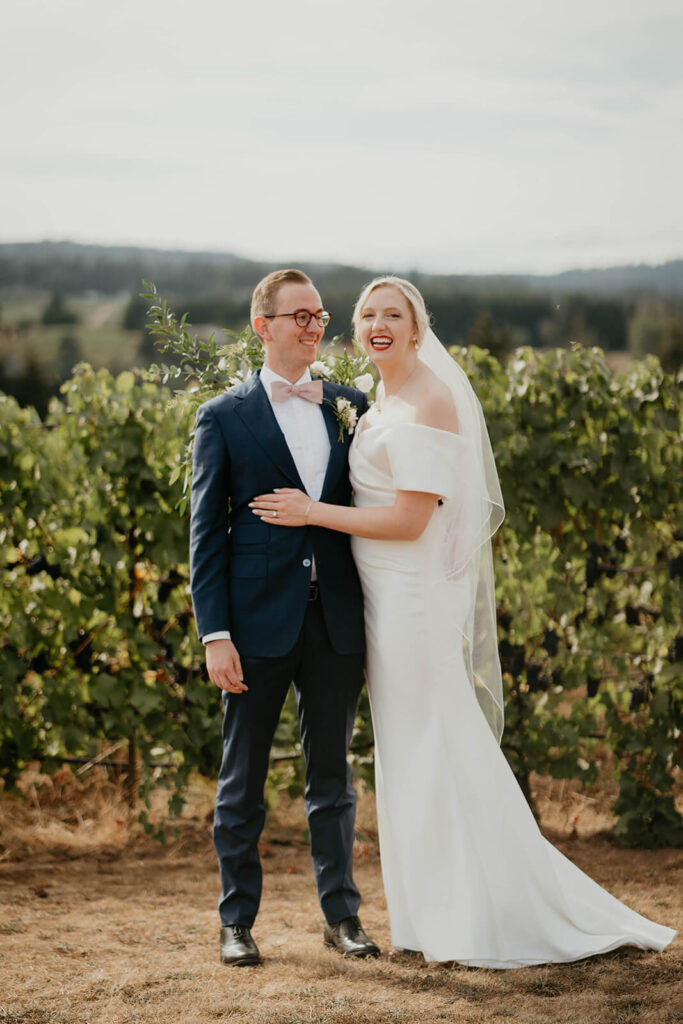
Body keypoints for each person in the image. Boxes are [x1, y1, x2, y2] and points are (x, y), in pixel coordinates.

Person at [250, 275, 677, 967]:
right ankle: (428, 917)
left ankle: (478, 916)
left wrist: (311, 512)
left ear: (418, 329)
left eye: (394, 313)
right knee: (409, 755)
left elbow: (412, 517)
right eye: (366, 313)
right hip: (378, 601)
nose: (378, 322)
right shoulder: (374, 397)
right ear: (354, 329)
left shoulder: (431, 398)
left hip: (412, 603)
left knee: (434, 749)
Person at [190, 268, 379, 966]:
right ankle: (235, 924)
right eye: (298, 315)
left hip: (334, 624)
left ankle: (343, 918)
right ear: (262, 326)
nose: (314, 325)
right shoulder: (223, 416)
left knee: (332, 780)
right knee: (240, 784)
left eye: (319, 314)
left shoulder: (351, 404)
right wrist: (216, 634)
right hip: (253, 629)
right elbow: (206, 536)